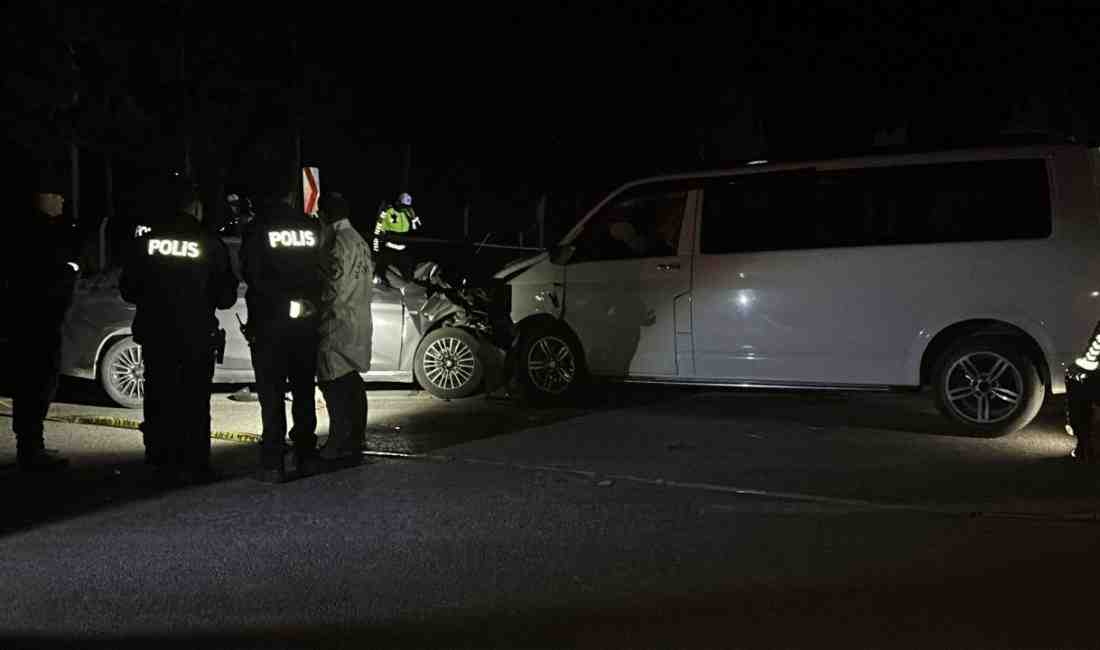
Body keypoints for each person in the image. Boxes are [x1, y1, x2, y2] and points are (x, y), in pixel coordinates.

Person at [119, 175, 238, 484]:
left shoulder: (147, 242)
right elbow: (226, 297)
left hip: (157, 333)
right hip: (197, 334)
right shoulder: (209, 242)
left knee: (159, 395)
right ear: (195, 208)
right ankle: (196, 462)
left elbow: (129, 289)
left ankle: (159, 459)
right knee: (196, 399)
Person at [241, 176, 322, 483]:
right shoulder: (309, 228)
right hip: (305, 322)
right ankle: (306, 455)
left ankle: (273, 461)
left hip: (269, 323)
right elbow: (320, 269)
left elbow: (251, 273)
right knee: (303, 389)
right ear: (290, 196)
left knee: (272, 394)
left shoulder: (258, 230)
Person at [9, 163, 79, 471]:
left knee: (34, 384)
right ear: (42, 198)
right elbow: (46, 277)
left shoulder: (32, 230)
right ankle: (31, 449)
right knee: (36, 384)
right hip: (38, 322)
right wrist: (70, 272)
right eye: (57, 196)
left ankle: (30, 445)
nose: (62, 202)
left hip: (35, 320)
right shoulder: (39, 233)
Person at [316, 192, 373, 466]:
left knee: (333, 381)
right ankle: (356, 437)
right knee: (352, 380)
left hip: (338, 320)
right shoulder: (360, 241)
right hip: (359, 319)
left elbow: (332, 286)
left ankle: (337, 442)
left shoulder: (338, 243)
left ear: (324, 215)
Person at [372, 191, 421, 285]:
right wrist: (376, 249)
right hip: (388, 247)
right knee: (380, 268)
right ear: (397, 202)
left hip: (403, 248)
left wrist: (414, 220)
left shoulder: (409, 211)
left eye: (406, 206)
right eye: (403, 206)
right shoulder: (387, 211)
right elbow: (377, 230)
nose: (404, 209)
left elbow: (417, 230)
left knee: (408, 275)